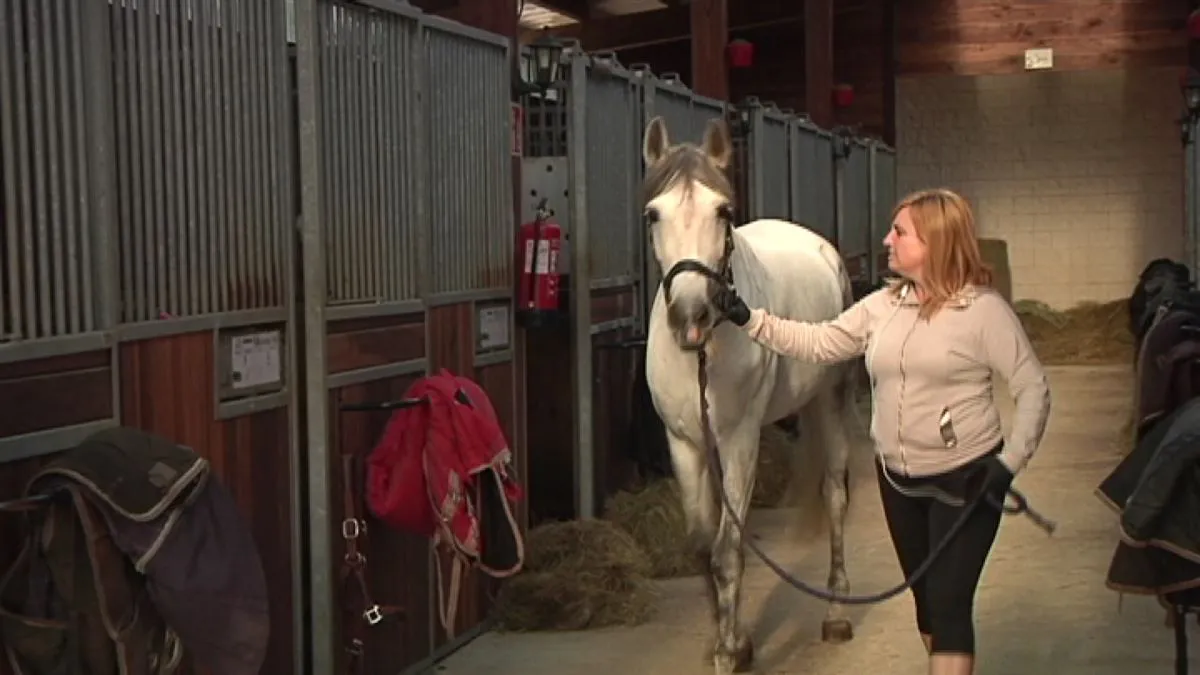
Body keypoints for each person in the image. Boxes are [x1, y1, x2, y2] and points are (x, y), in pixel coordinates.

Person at [716, 188, 1052, 675]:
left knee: (951, 604)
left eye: (899, 232)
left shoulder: (984, 313)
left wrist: (1007, 465)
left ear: (933, 242)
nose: (886, 239)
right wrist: (751, 320)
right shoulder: (882, 307)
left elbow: (1033, 389)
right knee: (928, 606)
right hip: (900, 481)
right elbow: (821, 341)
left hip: (969, 481)